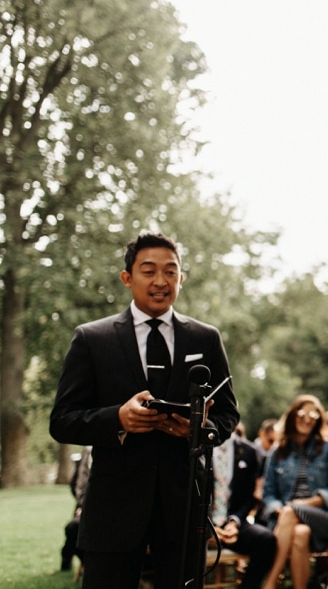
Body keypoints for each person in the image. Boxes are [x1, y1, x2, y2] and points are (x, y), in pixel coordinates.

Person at [49, 232, 240, 588]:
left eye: (170, 271)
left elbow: (228, 415)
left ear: (181, 278)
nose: (160, 281)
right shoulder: (92, 338)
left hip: (184, 505)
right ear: (127, 278)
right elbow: (62, 421)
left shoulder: (205, 338)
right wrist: (118, 419)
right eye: (148, 270)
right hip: (113, 506)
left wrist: (198, 430)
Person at [260, 395, 328, 587]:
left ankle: (271, 581)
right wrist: (282, 511)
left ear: (318, 420)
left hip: (324, 517)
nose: (307, 419)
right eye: (302, 414)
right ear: (292, 415)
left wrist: (302, 506)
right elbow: (268, 494)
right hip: (286, 519)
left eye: (313, 415)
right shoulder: (277, 451)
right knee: (300, 533)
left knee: (291, 511)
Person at [207, 432, 277, 589]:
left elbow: (248, 498)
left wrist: (234, 522)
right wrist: (207, 529)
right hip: (200, 524)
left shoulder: (248, 451)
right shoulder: (195, 443)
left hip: (232, 524)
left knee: (266, 540)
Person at [62, 447, 91, 572]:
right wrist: (85, 506)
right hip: (87, 506)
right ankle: (87, 564)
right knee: (73, 528)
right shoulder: (88, 451)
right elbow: (79, 485)